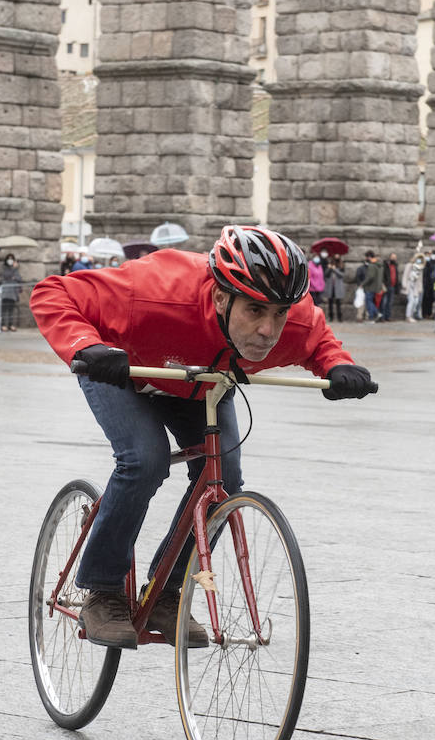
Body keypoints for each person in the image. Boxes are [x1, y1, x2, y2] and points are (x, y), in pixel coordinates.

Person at [30, 225, 376, 648]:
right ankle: (102, 590)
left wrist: (338, 366)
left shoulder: (291, 322)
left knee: (225, 478)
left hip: (200, 383)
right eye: (254, 311)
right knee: (145, 459)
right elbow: (52, 292)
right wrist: (85, 346)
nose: (269, 331)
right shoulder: (158, 289)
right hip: (123, 369)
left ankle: (167, 592)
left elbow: (320, 342)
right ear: (220, 298)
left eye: (279, 314)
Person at [0, 254, 22, 331]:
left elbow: (19, 278)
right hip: (5, 292)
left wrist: (14, 274)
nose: (10, 260)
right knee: (4, 309)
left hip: (13, 293)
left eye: (12, 259)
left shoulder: (15, 270)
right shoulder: (4, 268)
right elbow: (7, 276)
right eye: (9, 259)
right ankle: (3, 325)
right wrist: (14, 270)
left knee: (11, 310)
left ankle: (11, 324)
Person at [359, 251, 383, 322]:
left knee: (368, 302)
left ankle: (374, 315)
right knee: (370, 301)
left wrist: (362, 284)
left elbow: (370, 277)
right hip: (376, 287)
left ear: (369, 257)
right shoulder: (379, 265)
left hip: (370, 287)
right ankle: (373, 316)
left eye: (366, 257)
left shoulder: (371, 265)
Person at [322, 253, 346, 322]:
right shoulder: (330, 264)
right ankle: (331, 317)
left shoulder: (341, 265)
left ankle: (339, 317)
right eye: (335, 255)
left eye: (338, 255)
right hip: (331, 287)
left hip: (338, 287)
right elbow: (325, 274)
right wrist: (329, 268)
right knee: (330, 303)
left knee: (338, 303)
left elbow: (342, 275)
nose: (337, 256)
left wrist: (335, 269)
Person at [401, 253, 423, 322]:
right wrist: (404, 284)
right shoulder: (409, 265)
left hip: (415, 285)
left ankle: (412, 315)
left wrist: (420, 288)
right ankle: (408, 316)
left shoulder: (420, 267)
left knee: (416, 301)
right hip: (409, 284)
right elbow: (405, 275)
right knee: (411, 300)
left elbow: (420, 279)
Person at [381, 253, 399, 323]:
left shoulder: (395, 266)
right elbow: (383, 275)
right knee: (384, 302)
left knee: (390, 303)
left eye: (395, 257)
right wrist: (384, 284)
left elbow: (396, 276)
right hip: (386, 286)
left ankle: (388, 317)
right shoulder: (386, 265)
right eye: (393, 257)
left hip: (392, 286)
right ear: (389, 257)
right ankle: (382, 317)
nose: (394, 259)